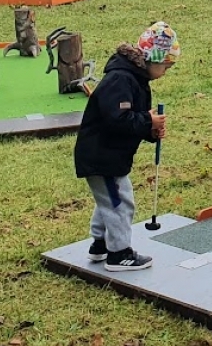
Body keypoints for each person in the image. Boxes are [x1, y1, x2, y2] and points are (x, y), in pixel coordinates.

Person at [73, 21, 180, 272]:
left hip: (110, 155)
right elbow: (117, 119)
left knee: (109, 200)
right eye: (166, 65)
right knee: (119, 202)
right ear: (153, 58)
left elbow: (132, 120)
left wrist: (150, 130)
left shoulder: (135, 79)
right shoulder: (121, 79)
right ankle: (119, 253)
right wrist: (147, 120)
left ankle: (100, 244)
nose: (166, 71)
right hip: (102, 157)